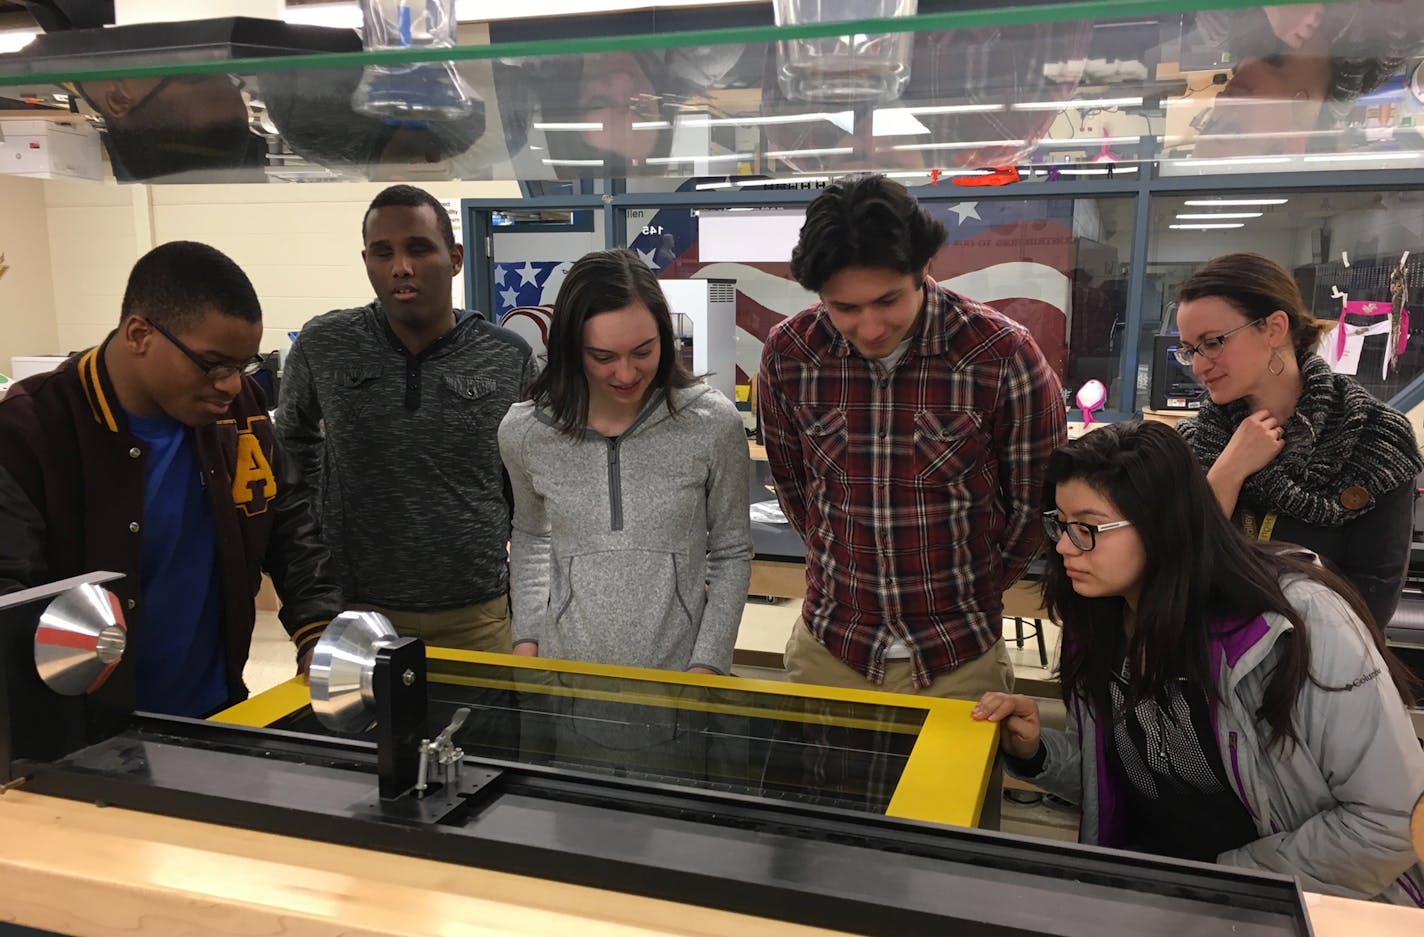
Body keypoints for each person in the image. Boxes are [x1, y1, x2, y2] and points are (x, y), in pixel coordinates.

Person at [973, 421, 1424, 905]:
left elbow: (1389, 820)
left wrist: (1215, 883)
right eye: (1060, 525)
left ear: (1163, 524)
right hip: (1160, 896)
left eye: (1087, 528)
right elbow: (1128, 780)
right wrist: (1037, 752)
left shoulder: (1293, 624)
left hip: (1286, 907)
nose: (1063, 547)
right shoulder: (1102, 627)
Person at [0, 241, 341, 717]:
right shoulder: (30, 431)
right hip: (82, 735)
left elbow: (290, 526)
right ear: (140, 333)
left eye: (242, 366)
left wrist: (318, 629)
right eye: (213, 364)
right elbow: (8, 596)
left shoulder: (235, 414)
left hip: (218, 710)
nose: (231, 384)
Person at [758, 173, 1066, 699]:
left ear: (924, 268)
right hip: (832, 644)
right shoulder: (792, 352)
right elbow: (794, 487)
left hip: (958, 656)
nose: (870, 327)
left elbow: (1037, 503)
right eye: (845, 308)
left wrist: (975, 587)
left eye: (888, 300)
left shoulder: (999, 353)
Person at [277, 185, 533, 653]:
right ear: (367, 261)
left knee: (485, 729)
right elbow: (289, 468)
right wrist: (313, 596)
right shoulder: (324, 345)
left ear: (454, 258)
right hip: (356, 617)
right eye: (383, 252)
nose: (401, 267)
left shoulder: (506, 355)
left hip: (477, 616)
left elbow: (530, 488)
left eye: (418, 248)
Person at [499, 248, 752, 674]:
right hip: (568, 686)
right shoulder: (525, 433)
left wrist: (707, 665)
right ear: (570, 348)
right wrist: (527, 638)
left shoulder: (712, 424)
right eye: (603, 357)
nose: (626, 374)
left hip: (682, 684)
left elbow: (730, 553)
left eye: (643, 351)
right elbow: (531, 534)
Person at [1174, 252, 1421, 630]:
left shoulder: (1374, 439)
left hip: (1318, 672)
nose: (1198, 365)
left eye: (1212, 342)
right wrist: (1228, 472)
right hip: (1205, 669)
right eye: (1190, 349)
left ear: (1274, 328)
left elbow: (1372, 598)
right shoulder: (1193, 444)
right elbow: (1168, 574)